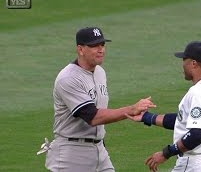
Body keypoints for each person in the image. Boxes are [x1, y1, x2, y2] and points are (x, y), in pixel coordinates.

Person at [37, 27, 156, 172]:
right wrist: (131, 109)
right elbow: (93, 117)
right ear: (80, 50)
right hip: (73, 154)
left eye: (102, 45)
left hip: (99, 150)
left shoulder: (100, 72)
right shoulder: (68, 78)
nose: (101, 49)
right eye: (94, 46)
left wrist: (100, 146)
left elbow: (98, 123)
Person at [127, 41, 201, 172]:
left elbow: (199, 133)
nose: (182, 65)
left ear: (193, 63)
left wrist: (166, 153)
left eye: (184, 60)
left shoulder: (199, 92)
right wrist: (148, 117)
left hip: (197, 164)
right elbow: (185, 120)